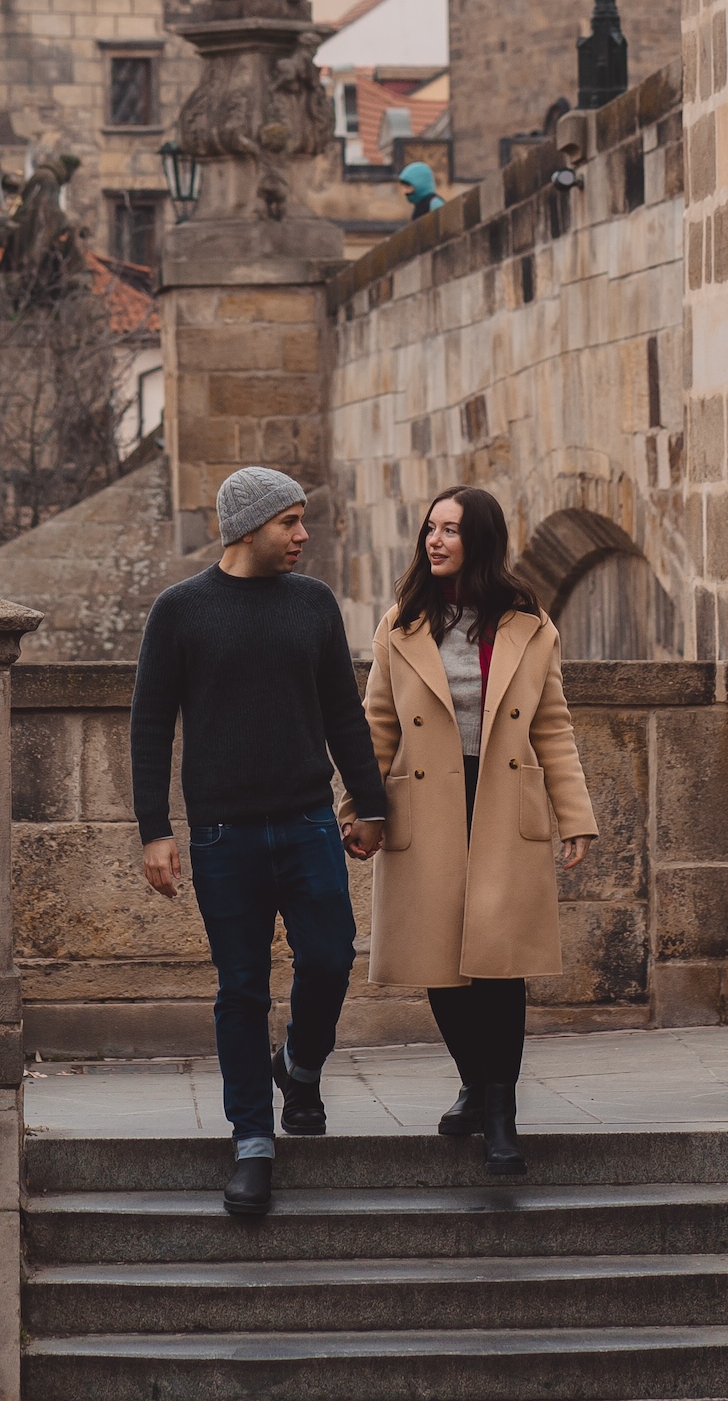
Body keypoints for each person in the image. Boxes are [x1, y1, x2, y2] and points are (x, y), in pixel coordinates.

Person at [131, 465, 388, 1220]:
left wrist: (370, 804)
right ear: (249, 529)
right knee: (241, 989)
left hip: (308, 823)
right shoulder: (180, 610)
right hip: (222, 835)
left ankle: (300, 1066)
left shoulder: (313, 604)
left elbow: (344, 714)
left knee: (332, 958)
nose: (303, 534)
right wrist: (154, 830)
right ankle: (252, 1140)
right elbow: (150, 725)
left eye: (301, 520)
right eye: (290, 522)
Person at [343, 485, 596, 1178]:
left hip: (501, 801)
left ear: (479, 539)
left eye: (450, 529)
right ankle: (475, 1083)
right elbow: (376, 725)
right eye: (430, 528)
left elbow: (552, 724)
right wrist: (359, 809)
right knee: (438, 959)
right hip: (424, 804)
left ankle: (500, 1111)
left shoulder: (529, 624)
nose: (435, 540)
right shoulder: (401, 624)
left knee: (498, 962)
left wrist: (574, 815)